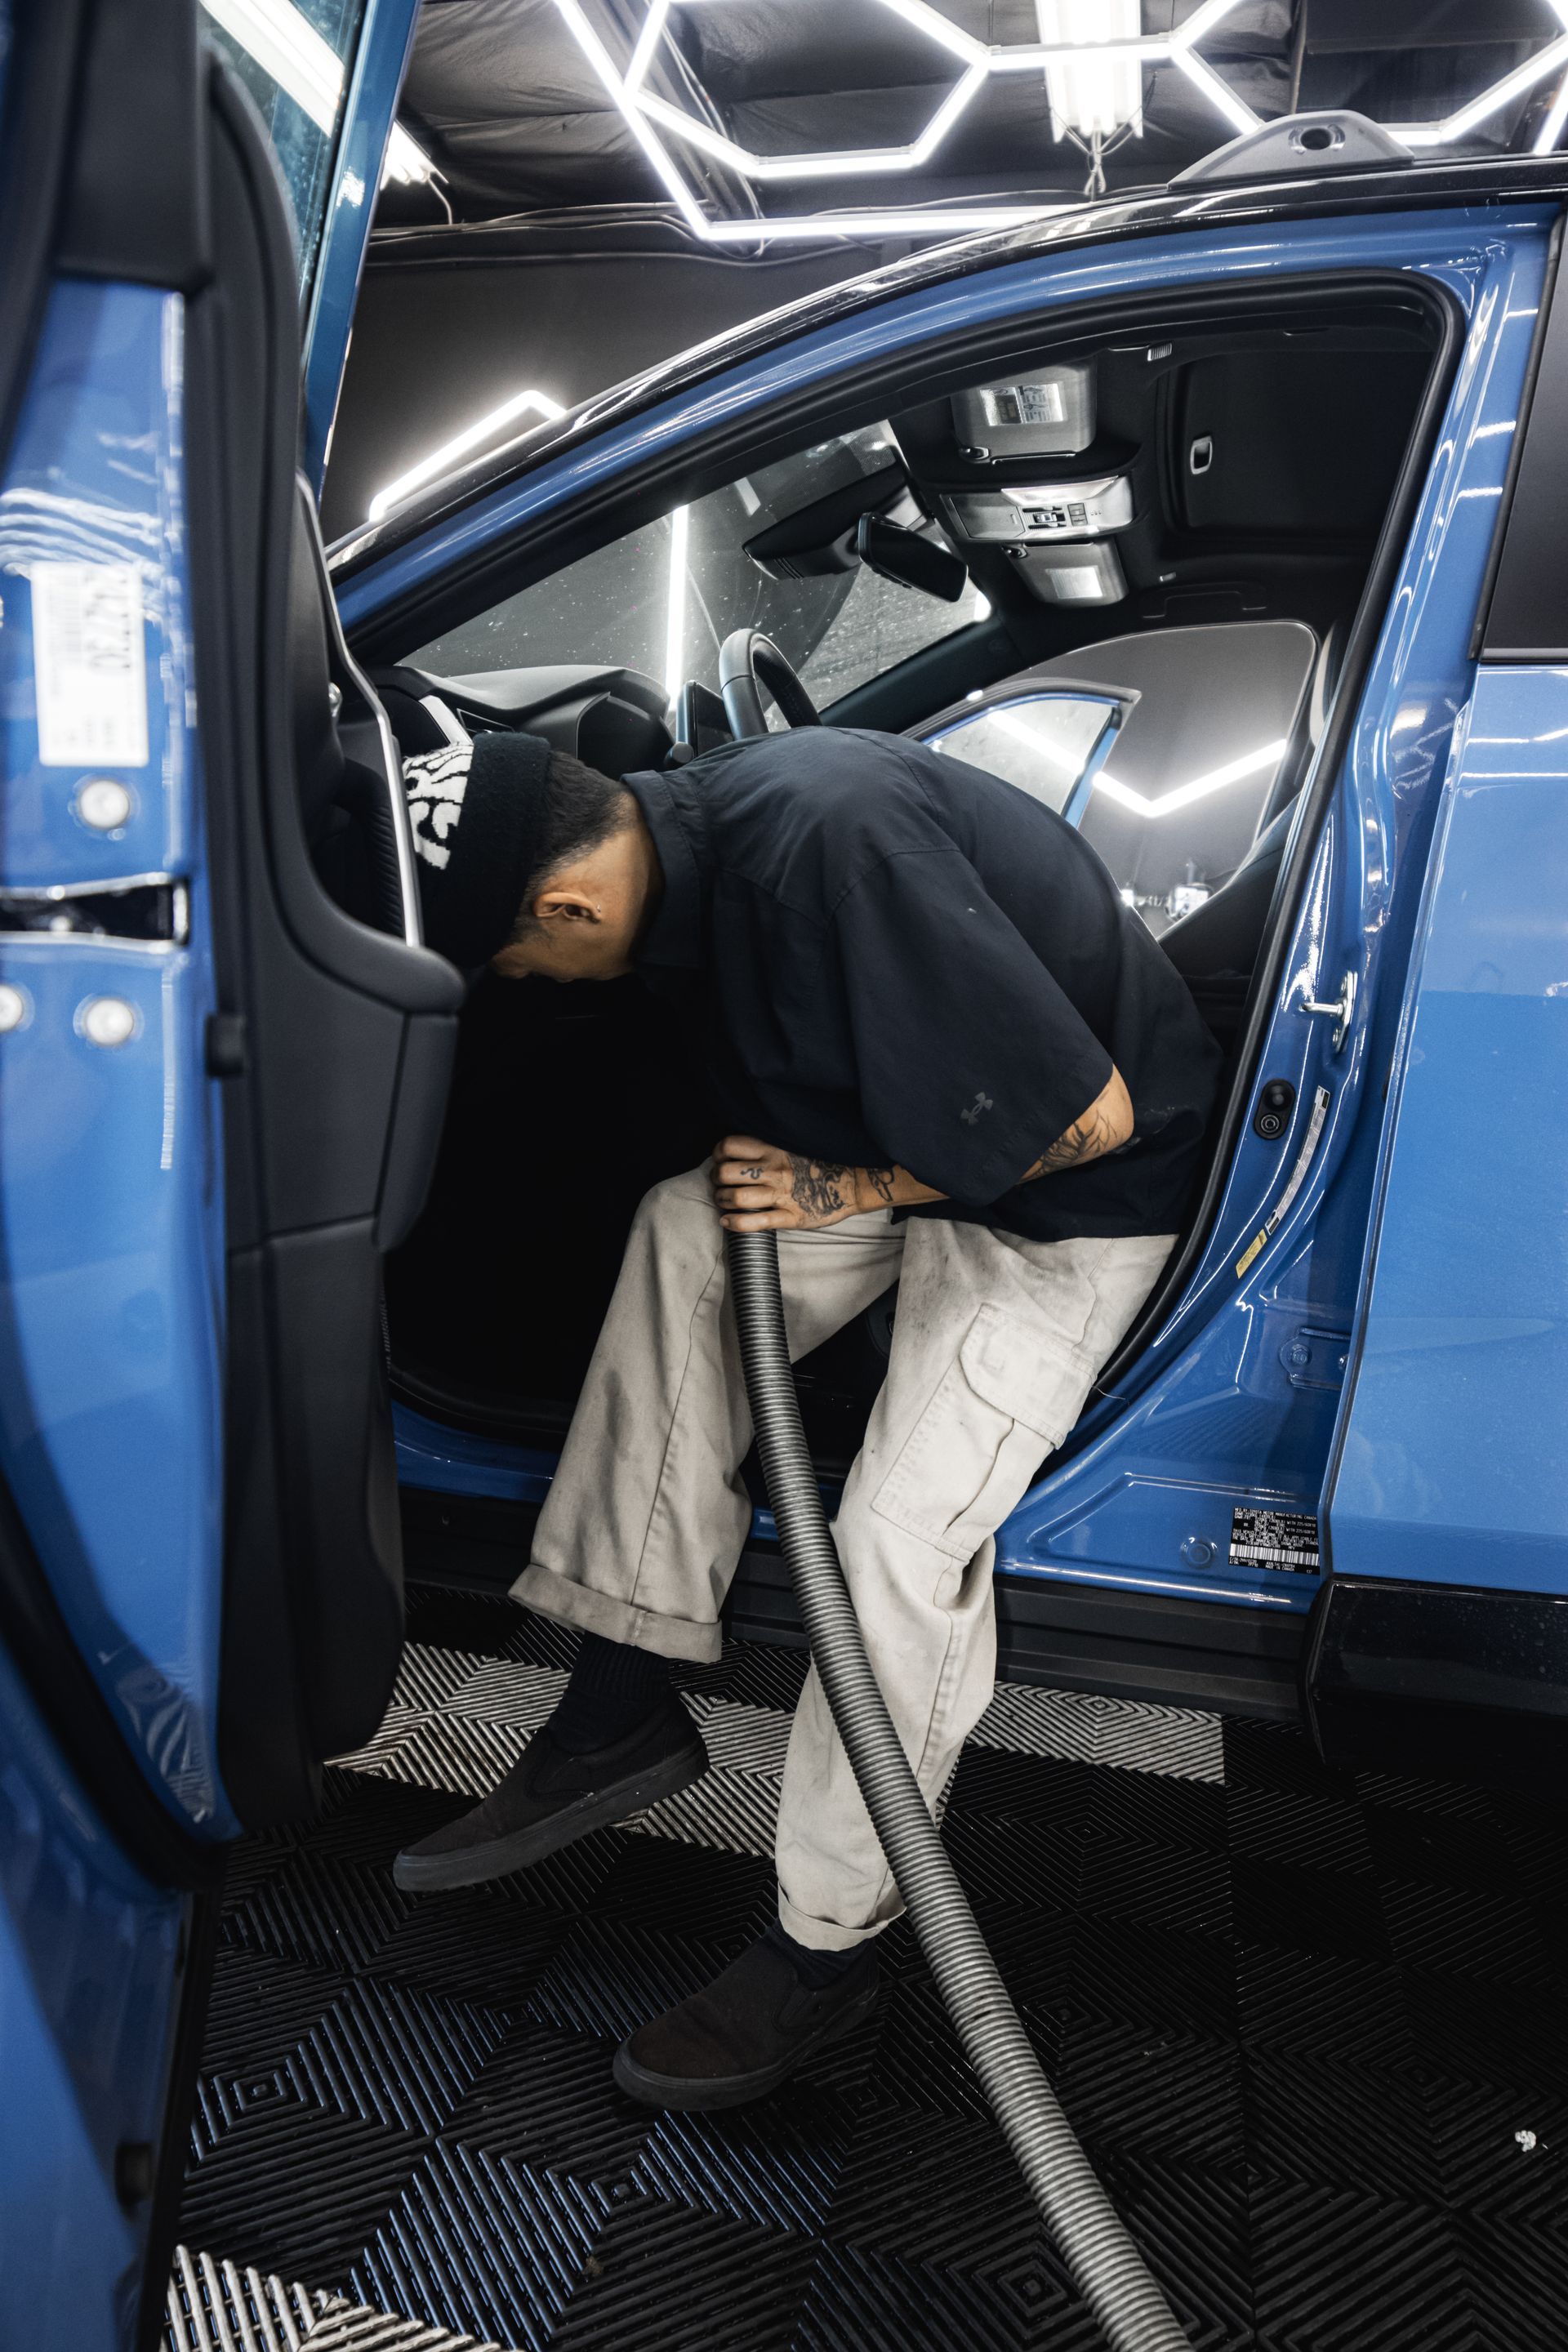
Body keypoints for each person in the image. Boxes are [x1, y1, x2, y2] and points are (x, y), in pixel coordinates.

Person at [390, 719, 1221, 2112]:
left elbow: (1084, 1122)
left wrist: (840, 1194)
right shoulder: (690, 852)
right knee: (685, 1231)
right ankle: (618, 1702)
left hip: (1064, 1207)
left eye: (519, 962)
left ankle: (823, 1947)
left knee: (893, 1539)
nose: (527, 984)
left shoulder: (827, 846)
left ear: (568, 904)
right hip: (932, 1153)